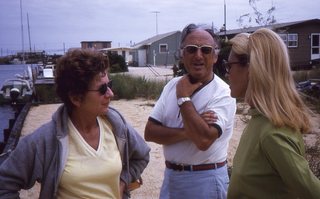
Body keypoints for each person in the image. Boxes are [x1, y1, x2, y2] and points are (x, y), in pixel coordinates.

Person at [0, 49, 150, 199]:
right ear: (76, 98)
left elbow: (142, 156)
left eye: (109, 84)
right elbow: (5, 183)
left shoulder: (116, 125)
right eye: (103, 89)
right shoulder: (46, 139)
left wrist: (123, 180)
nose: (110, 93)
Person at [225, 28, 320, 199]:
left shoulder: (272, 133)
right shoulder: (259, 120)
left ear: (251, 68)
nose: (227, 72)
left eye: (229, 65)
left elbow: (312, 191)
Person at [144, 23, 236, 199]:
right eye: (192, 49)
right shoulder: (172, 85)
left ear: (215, 56)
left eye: (206, 50)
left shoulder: (223, 93)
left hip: (206, 180)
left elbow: (202, 140)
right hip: (171, 178)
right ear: (182, 54)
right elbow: (150, 132)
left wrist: (184, 98)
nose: (198, 55)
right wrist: (190, 130)